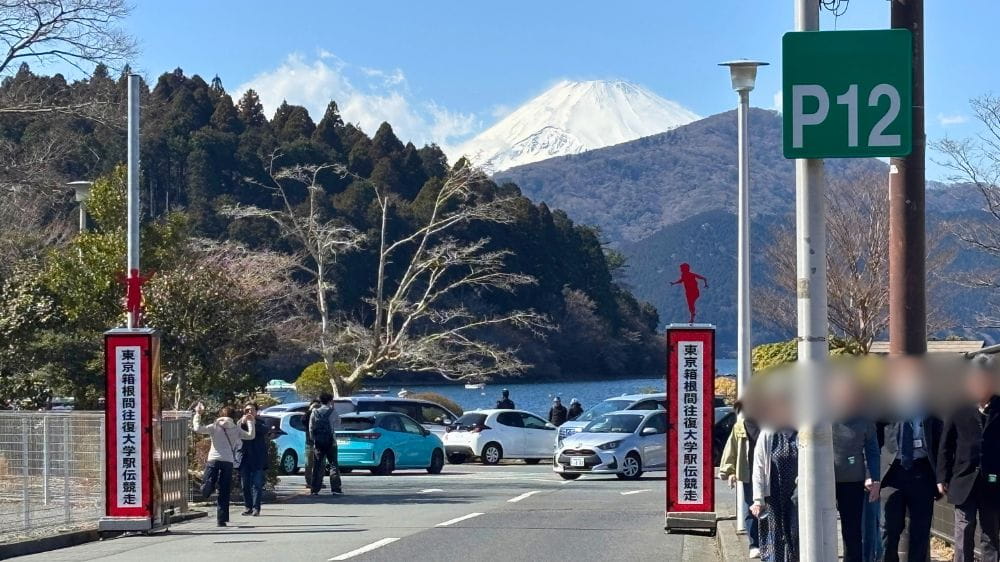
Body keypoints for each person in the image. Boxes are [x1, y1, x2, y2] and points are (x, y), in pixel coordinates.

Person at [938, 355, 1000, 562]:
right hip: (963, 479)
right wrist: (941, 476)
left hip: (993, 480)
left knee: (991, 532)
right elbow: (946, 444)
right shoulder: (959, 407)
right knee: (963, 530)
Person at [879, 414, 942, 562]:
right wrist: (872, 474)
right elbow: (872, 438)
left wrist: (942, 477)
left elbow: (942, 441)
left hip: (922, 471)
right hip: (892, 473)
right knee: (889, 529)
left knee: (920, 530)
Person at [193, 403, 255, 527]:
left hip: (213, 459)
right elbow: (250, 436)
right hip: (228, 461)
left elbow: (197, 428)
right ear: (233, 416)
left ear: (221, 415)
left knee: (208, 480)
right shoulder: (236, 429)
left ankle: (207, 489)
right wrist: (250, 422)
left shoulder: (215, 426)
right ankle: (221, 520)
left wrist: (198, 414)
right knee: (224, 490)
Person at [832, 417, 881, 562]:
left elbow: (872, 450)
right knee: (822, 530)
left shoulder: (865, 418)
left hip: (852, 482)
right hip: (825, 482)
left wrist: (875, 479)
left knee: (852, 533)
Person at [719, 401, 761, 559]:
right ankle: (754, 543)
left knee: (769, 508)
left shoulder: (771, 426)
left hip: (769, 474)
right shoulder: (740, 427)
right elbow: (732, 449)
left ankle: (768, 541)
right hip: (748, 473)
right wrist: (730, 472)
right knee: (751, 508)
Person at [752, 426, 799, 562]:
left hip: (796, 495)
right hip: (773, 495)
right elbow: (759, 467)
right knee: (774, 537)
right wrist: (758, 499)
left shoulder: (802, 433)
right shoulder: (768, 434)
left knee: (795, 535)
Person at [309, 393, 342, 495]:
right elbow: (338, 424)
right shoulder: (333, 411)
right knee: (333, 465)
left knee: (317, 465)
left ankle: (314, 489)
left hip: (318, 442)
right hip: (331, 441)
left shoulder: (315, 412)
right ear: (330, 401)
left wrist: (313, 439)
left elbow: (311, 427)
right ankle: (335, 489)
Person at [239, 402, 268, 516]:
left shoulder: (260, 423)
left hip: (257, 458)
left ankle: (256, 508)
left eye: (252, 410)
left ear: (256, 412)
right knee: (245, 484)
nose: (249, 412)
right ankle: (248, 506)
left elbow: (265, 430)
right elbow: (235, 432)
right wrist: (243, 422)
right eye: (247, 410)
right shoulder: (241, 423)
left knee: (257, 484)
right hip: (244, 457)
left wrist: (254, 422)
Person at [303, 399, 321, 490]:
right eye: (315, 406)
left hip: (321, 443)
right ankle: (309, 482)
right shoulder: (308, 415)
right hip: (309, 443)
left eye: (318, 406)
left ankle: (318, 482)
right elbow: (303, 421)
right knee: (308, 464)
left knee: (320, 464)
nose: (316, 408)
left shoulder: (322, 414)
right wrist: (310, 410)